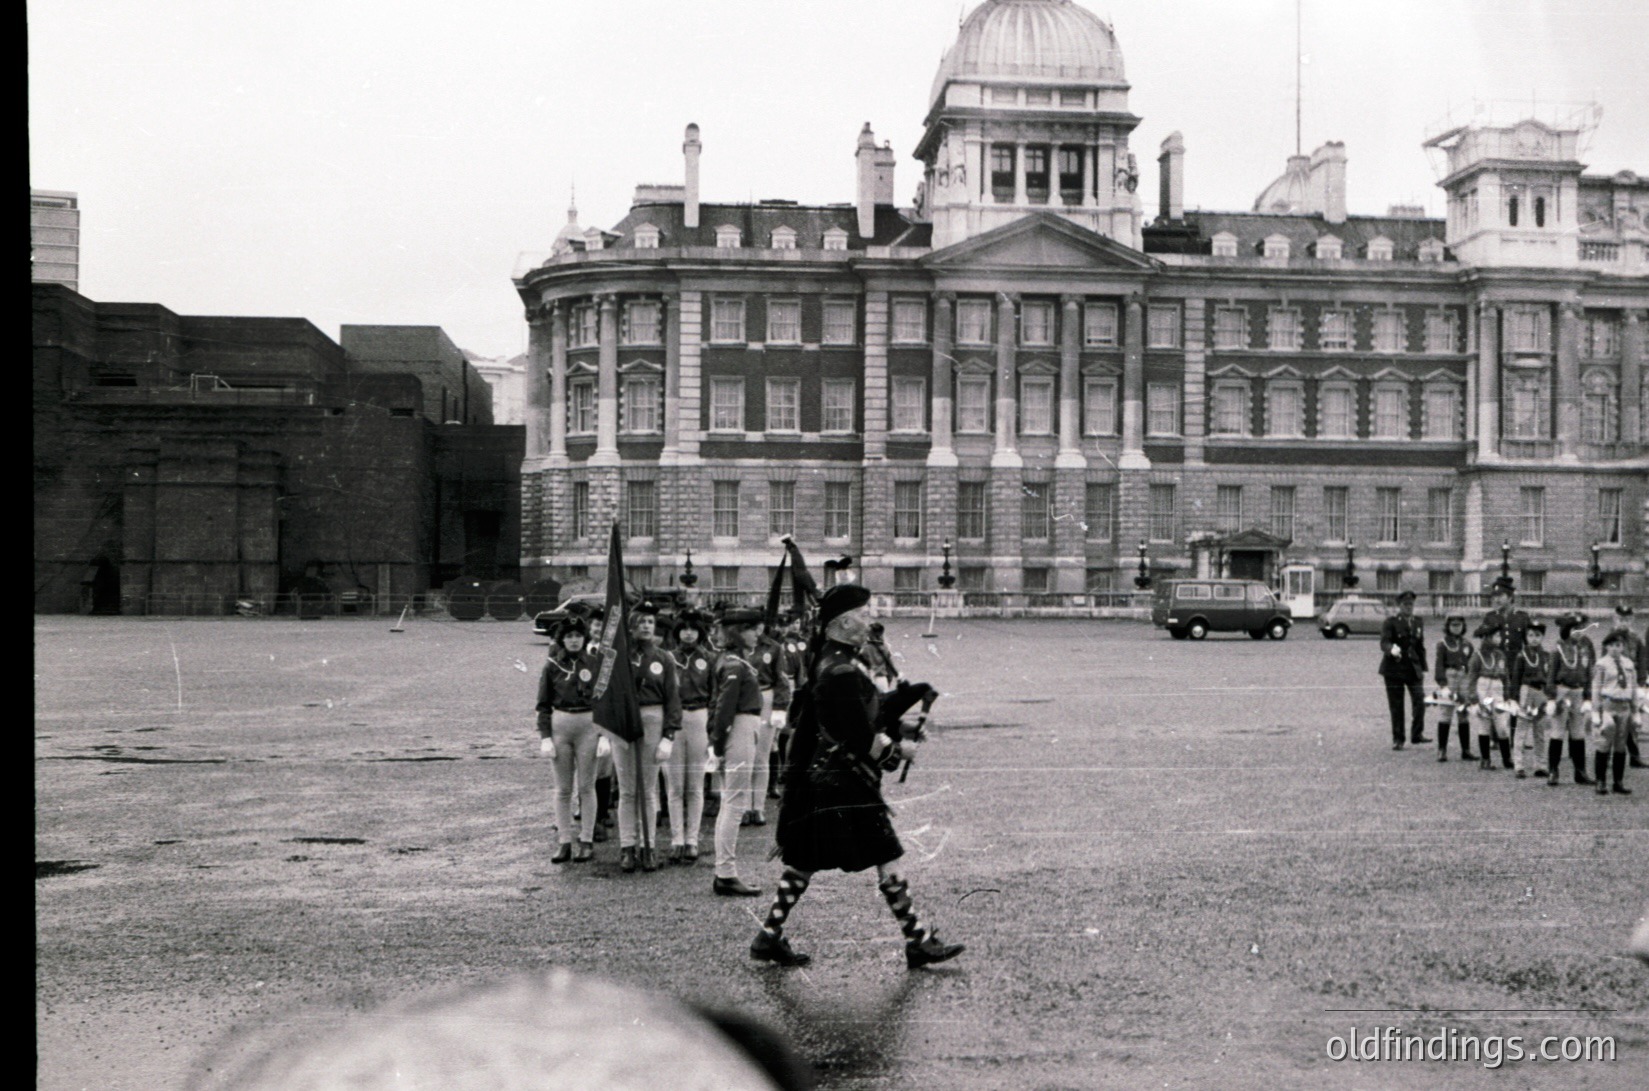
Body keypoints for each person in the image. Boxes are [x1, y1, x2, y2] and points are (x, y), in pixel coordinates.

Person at [750, 583, 965, 971]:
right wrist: (902, 750)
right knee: (889, 857)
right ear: (845, 622)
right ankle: (917, 940)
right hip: (846, 783)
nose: (870, 621)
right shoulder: (843, 671)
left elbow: (867, 711)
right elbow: (861, 735)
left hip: (824, 782)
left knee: (803, 861)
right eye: (864, 615)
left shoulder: (834, 662)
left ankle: (768, 936)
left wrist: (910, 706)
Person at [610, 605, 681, 873]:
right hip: (624, 720)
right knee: (627, 790)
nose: (646, 626)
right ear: (631, 626)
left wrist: (669, 735)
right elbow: (607, 694)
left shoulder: (663, 658)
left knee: (648, 789)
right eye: (640, 622)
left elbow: (673, 698)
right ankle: (627, 846)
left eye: (650, 622)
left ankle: (648, 846)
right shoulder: (619, 658)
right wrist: (607, 731)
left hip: (653, 718)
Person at [708, 608, 768, 896]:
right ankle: (726, 873)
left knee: (730, 803)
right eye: (752, 628)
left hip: (741, 729)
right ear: (737, 631)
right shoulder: (734, 665)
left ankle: (725, 871)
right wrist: (718, 745)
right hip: (740, 729)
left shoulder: (734, 662)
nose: (758, 633)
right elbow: (723, 710)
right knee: (734, 803)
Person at [536, 617, 599, 863]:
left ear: (585, 638)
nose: (574, 640)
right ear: (562, 639)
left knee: (586, 786)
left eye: (578, 636)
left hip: (588, 726)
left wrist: (603, 734)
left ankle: (586, 839)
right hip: (561, 726)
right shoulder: (552, 665)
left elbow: (603, 701)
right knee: (563, 789)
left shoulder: (594, 664)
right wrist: (545, 737)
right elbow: (543, 705)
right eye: (569, 636)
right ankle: (564, 840)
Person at [664, 610, 714, 864]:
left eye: (693, 628)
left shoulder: (710, 659)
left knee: (695, 784)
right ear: (676, 632)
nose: (688, 633)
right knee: (675, 785)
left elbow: (716, 695)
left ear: (700, 632)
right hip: (674, 719)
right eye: (683, 628)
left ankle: (692, 839)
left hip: (699, 717)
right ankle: (676, 839)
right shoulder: (667, 659)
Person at [744, 623, 793, 827]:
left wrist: (780, 708)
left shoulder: (773, 648)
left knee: (761, 757)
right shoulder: (738, 646)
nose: (755, 630)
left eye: (758, 625)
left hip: (766, 696)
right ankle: (745, 806)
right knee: (744, 756)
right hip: (743, 699)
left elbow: (782, 679)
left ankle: (758, 807)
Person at [1545, 613, 1597, 786]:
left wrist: (1588, 697)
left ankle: (1580, 771)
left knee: (1578, 733)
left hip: (1578, 692)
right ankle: (1553, 771)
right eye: (1575, 629)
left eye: (1581, 628)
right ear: (1567, 630)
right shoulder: (1558, 647)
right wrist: (1551, 697)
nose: (1579, 632)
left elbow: (1589, 673)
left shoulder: (1586, 646)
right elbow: (1551, 675)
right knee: (1557, 732)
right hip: (1562, 691)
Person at [1590, 629, 1639, 795]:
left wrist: (1635, 711)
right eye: (1611, 645)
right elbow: (1596, 689)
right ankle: (1600, 781)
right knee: (1604, 742)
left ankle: (1618, 781)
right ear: (1606, 647)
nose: (1615, 649)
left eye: (1618, 645)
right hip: (1608, 705)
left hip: (1624, 706)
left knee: (1620, 745)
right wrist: (1596, 711)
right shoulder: (1602, 664)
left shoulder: (1629, 664)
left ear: (1623, 646)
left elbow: (1633, 688)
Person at [1378, 590, 1428, 750]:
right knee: (1397, 705)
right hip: (1394, 668)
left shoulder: (1418, 622)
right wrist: (1391, 648)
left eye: (1411, 604)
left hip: (1413, 668)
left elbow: (1420, 646)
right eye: (1405, 604)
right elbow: (1384, 642)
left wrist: (1423, 668)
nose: (1408, 607)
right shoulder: (1391, 622)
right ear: (1399, 606)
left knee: (1420, 700)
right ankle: (1398, 739)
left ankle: (1416, 734)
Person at [1464, 621, 1514, 771]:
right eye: (1496, 635)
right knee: (1484, 724)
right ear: (1486, 637)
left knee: (1502, 726)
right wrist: (1473, 698)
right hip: (1483, 689)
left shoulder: (1500, 655)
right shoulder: (1477, 656)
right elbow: (1471, 679)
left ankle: (1507, 758)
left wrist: (1507, 694)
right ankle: (1485, 759)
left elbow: (1505, 676)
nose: (1499, 638)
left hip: (1497, 689)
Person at [1605, 604, 1647, 769]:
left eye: (1627, 620)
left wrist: (1642, 683)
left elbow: (1642, 661)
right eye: (1621, 619)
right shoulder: (1610, 638)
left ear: (1632, 620)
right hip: (1614, 685)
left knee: (1632, 721)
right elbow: (1604, 663)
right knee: (1611, 721)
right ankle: (1607, 755)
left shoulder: (1636, 639)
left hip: (1631, 683)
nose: (1624, 623)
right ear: (1615, 619)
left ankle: (1634, 756)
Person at [1511, 620, 1554, 780]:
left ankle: (1541, 766)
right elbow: (1515, 678)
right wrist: (1514, 698)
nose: (1534, 638)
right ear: (1526, 637)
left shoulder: (1546, 656)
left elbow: (1549, 678)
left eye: (1537, 635)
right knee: (1521, 730)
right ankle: (1519, 765)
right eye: (1530, 635)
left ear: (1542, 637)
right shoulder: (1521, 656)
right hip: (1526, 691)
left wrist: (1550, 696)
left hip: (1541, 693)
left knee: (1540, 731)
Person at [1432, 614, 1475, 762]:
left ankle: (1466, 750)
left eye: (1459, 625)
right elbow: (1439, 665)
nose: (1456, 628)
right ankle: (1442, 750)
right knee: (1446, 712)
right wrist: (1442, 684)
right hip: (1450, 676)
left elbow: (1471, 664)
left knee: (1463, 713)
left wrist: (1471, 683)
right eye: (1453, 625)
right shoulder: (1443, 644)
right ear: (1448, 627)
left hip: (1463, 676)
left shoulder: (1467, 644)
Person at [859, 622, 901, 692]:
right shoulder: (884, 647)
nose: (867, 634)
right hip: (880, 678)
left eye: (869, 632)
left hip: (870, 678)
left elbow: (861, 660)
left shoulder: (865, 647)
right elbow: (890, 665)